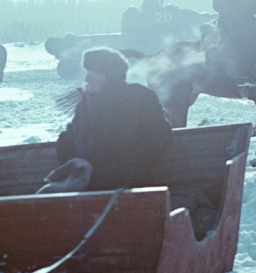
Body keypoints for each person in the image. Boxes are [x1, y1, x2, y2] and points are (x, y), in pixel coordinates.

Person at [43, 48, 172, 193]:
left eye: (93, 74)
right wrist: (76, 165)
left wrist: (130, 168)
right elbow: (71, 139)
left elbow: (160, 136)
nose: (87, 79)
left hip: (129, 184)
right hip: (88, 182)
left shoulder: (138, 97)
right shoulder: (85, 104)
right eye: (87, 73)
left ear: (110, 76)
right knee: (46, 193)